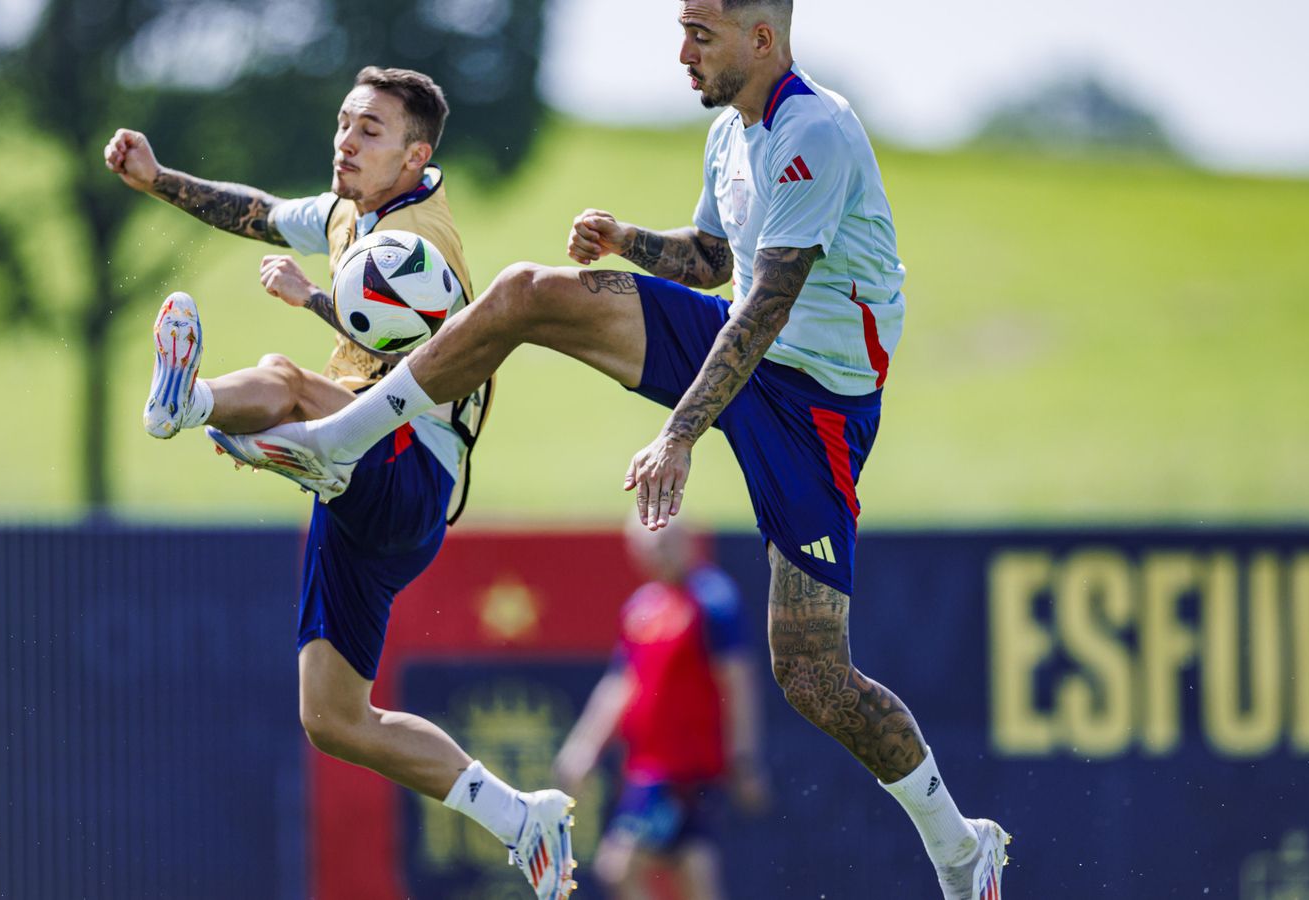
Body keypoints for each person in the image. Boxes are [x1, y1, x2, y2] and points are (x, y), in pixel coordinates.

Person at [213, 5, 1009, 896]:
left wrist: (677, 434)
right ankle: (338, 437)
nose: (681, 50)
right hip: (734, 338)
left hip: (812, 404)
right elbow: (715, 259)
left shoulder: (814, 130)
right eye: (682, 28)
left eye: (700, 33)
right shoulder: (728, 134)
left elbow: (765, 307)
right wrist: (627, 242)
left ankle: (957, 840)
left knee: (813, 674)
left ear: (762, 36)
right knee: (524, 294)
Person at [102, 66, 576, 900]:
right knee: (332, 720)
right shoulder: (352, 212)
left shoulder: (423, 247)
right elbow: (255, 211)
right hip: (367, 495)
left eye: (369, 131)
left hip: (412, 467)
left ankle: (198, 404)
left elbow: (432, 372)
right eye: (344, 123)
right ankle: (519, 815)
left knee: (281, 379)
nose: (345, 142)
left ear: (415, 154)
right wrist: (158, 179)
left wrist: (316, 301)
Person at [553, 519, 768, 900]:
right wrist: (584, 746)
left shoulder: (713, 601)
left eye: (664, 544)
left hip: (685, 770)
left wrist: (744, 758)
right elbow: (620, 685)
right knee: (691, 868)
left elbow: (737, 683)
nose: (656, 554)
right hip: (646, 767)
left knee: (619, 865)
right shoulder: (642, 607)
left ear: (686, 542)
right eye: (647, 546)